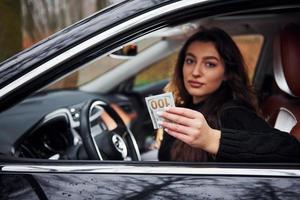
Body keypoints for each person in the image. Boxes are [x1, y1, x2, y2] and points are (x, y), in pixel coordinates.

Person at [157, 27, 300, 162]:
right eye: (190, 61)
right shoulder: (184, 107)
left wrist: (212, 140)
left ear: (226, 73)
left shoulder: (232, 112)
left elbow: (292, 150)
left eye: (210, 64)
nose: (195, 72)